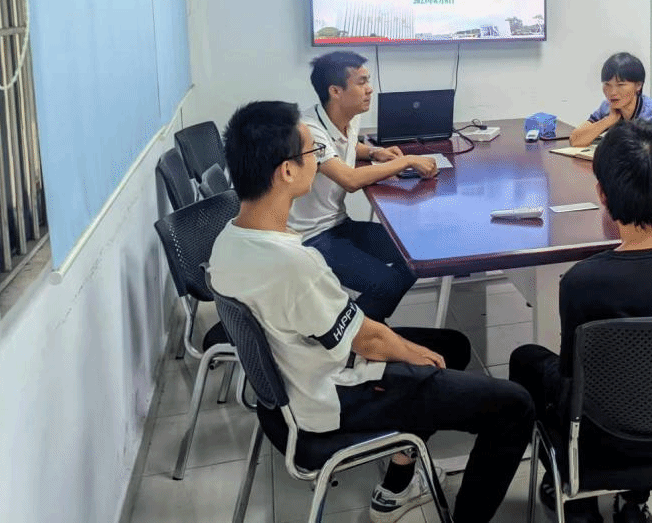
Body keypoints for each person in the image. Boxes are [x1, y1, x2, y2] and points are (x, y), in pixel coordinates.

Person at [208, 101, 534, 523]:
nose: (319, 160)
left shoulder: (228, 242)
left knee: (452, 345)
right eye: (313, 152)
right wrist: (415, 357)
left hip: (294, 380)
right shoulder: (293, 264)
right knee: (514, 405)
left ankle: (398, 482)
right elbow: (369, 341)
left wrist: (412, 354)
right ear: (287, 171)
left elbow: (352, 331)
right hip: (331, 394)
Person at [509, 120, 652, 523]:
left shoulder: (584, 281)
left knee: (526, 359)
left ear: (602, 193)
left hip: (607, 440)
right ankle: (634, 501)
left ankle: (573, 492)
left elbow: (570, 377)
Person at [289, 51, 439, 320]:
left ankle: (363, 324)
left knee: (418, 251)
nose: (370, 89)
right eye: (361, 82)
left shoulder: (348, 117)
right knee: (387, 285)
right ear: (335, 91)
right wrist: (406, 161)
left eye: (368, 81)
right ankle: (357, 334)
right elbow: (349, 180)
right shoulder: (309, 130)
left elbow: (345, 146)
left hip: (338, 224)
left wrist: (373, 152)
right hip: (310, 237)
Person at [569, 52, 652, 147]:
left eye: (620, 85)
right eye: (607, 84)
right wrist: (609, 120)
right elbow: (575, 140)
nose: (612, 92)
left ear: (638, 85)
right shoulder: (607, 107)